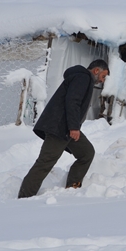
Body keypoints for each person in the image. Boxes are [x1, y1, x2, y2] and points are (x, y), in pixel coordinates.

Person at [18, 59, 110, 198]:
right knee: (45, 162)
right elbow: (73, 101)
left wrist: (73, 127)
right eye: (103, 76)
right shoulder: (83, 77)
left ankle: (72, 189)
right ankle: (24, 198)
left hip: (67, 128)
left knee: (86, 153)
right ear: (96, 70)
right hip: (59, 128)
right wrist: (73, 127)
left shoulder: (83, 78)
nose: (102, 81)